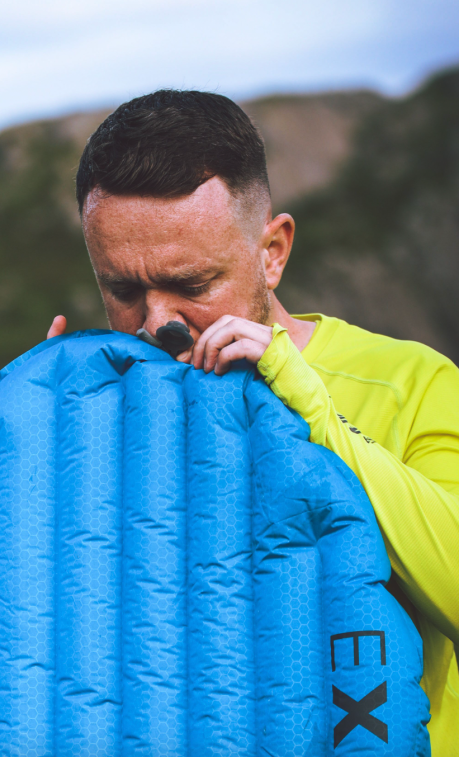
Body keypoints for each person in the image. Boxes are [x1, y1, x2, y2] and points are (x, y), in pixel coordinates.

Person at [46, 90, 459, 751]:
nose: (157, 323)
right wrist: (43, 460)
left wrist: (311, 416)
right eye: (122, 290)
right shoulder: (105, 409)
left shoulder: (414, 385)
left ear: (272, 251)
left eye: (191, 283)